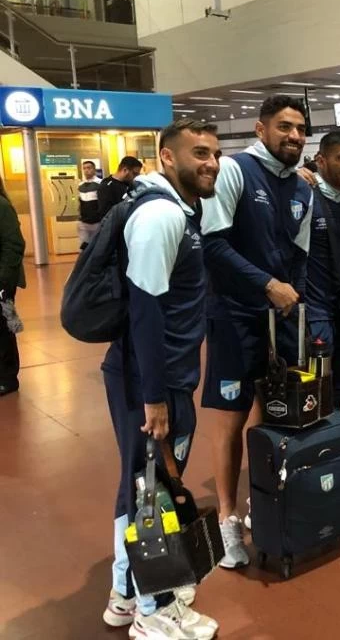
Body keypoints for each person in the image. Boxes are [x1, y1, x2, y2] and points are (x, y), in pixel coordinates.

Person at [100, 118, 220, 639]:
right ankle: (157, 608)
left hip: (163, 375)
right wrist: (155, 399)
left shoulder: (178, 209)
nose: (211, 162)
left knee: (145, 484)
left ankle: (126, 593)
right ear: (167, 158)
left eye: (215, 153)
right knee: (155, 490)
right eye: (199, 153)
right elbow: (145, 311)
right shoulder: (159, 216)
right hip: (153, 380)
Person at [200, 95, 313, 568]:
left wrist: (298, 312)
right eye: (285, 127)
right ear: (261, 128)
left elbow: (301, 259)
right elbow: (212, 244)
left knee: (276, 416)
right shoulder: (234, 172)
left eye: (302, 129)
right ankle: (227, 519)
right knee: (230, 418)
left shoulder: (304, 188)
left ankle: (264, 505)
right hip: (233, 318)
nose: (295, 136)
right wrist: (267, 285)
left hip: (282, 322)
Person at [305, 131, 340, 418]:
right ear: (320, 161)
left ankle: (331, 440)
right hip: (314, 313)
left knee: (339, 383)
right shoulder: (305, 197)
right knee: (314, 388)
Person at [0, 176, 25, 396]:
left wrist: (3, 281)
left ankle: (8, 378)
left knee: (3, 328)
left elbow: (14, 244)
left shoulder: (2, 207)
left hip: (2, 280)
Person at [77, 160, 102, 249]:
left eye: (89, 168)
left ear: (94, 169)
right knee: (83, 248)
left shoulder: (100, 183)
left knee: (97, 247)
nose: (86, 170)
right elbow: (79, 203)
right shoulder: (80, 185)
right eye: (84, 168)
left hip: (97, 222)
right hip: (83, 222)